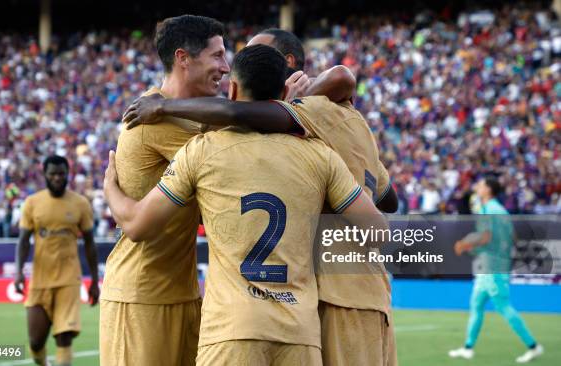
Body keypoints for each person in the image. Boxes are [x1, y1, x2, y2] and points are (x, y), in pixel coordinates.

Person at [122, 28, 399, 366]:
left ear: (287, 64)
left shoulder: (302, 115)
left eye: (251, 53)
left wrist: (166, 108)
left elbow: (238, 113)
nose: (229, 66)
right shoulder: (351, 123)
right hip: (363, 295)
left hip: (326, 300)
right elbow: (388, 200)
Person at [98, 15, 229, 366]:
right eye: (217, 56)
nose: (226, 67)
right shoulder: (152, 121)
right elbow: (231, 160)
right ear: (183, 58)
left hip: (180, 292)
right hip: (141, 296)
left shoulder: (180, 114)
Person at [14, 155, 99, 366]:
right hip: (40, 280)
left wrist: (95, 282)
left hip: (69, 280)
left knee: (64, 337)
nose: (57, 178)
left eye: (61, 173)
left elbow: (90, 243)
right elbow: (23, 241)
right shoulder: (32, 203)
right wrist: (18, 272)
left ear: (68, 174)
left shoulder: (80, 203)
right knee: (35, 342)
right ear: (45, 175)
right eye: (52, 174)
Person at [449, 177, 543, 363]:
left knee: (503, 306)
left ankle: (533, 346)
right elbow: (512, 238)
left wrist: (465, 245)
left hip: (493, 269)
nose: (478, 187)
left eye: (481, 185)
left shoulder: (488, 210)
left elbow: (485, 238)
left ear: (488, 190)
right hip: (492, 267)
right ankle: (468, 347)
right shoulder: (501, 211)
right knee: (476, 304)